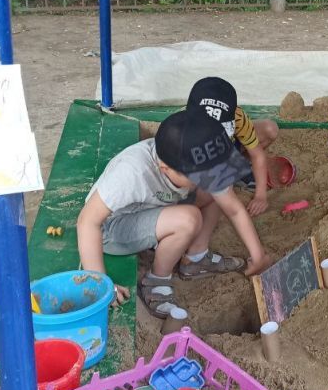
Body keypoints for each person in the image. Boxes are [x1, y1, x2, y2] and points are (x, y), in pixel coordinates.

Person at [77, 109, 271, 319]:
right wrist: (100, 284)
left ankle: (196, 257)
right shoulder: (132, 171)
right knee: (188, 219)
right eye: (199, 174)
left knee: (217, 190)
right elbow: (87, 221)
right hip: (113, 228)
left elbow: (233, 208)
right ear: (165, 169)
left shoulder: (191, 160)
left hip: (153, 207)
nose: (208, 175)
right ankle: (156, 281)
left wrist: (258, 255)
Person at [187, 77, 280, 216]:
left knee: (270, 129)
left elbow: (257, 155)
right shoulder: (181, 123)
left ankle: (239, 167)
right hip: (200, 157)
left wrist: (261, 196)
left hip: (228, 148)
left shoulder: (237, 116)